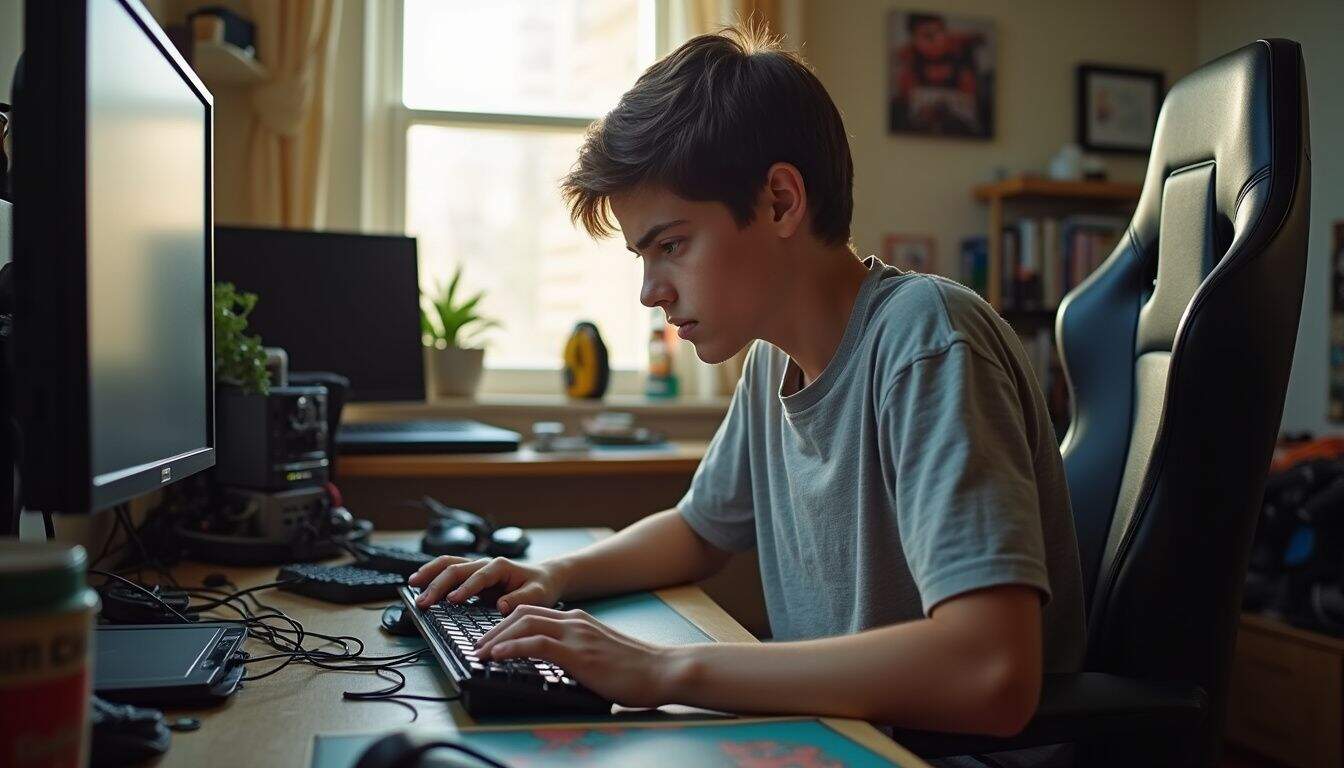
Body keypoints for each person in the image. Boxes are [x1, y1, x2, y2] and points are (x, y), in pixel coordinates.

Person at [409, 24, 1085, 745]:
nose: (650, 293)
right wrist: (552, 575)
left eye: (671, 245)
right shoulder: (770, 360)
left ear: (781, 202)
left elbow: (991, 673)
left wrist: (666, 671)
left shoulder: (926, 341)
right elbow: (702, 530)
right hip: (844, 737)